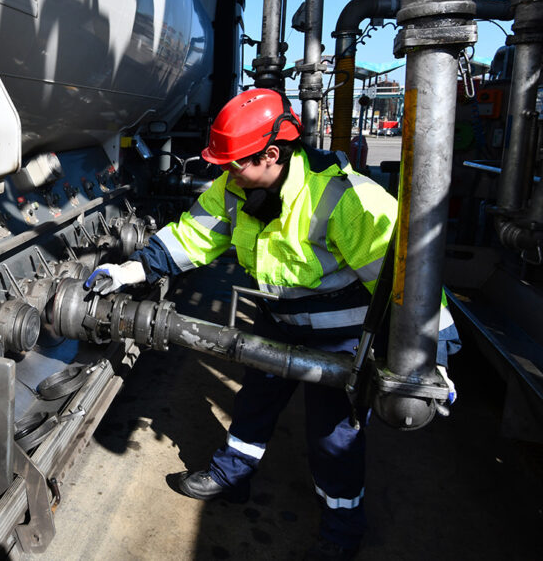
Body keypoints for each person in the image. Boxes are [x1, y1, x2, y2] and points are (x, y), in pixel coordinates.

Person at [84, 88, 460, 561]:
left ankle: (342, 529)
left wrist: (432, 361)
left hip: (340, 339)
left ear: (273, 154)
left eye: (233, 162)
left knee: (334, 438)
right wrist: (130, 270)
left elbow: (411, 283)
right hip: (278, 320)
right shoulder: (237, 188)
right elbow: (192, 238)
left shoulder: (347, 200)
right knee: (254, 406)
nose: (225, 172)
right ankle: (231, 476)